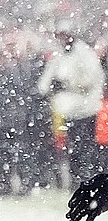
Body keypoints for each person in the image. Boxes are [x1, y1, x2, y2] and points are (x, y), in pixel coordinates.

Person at [39, 22, 106, 187]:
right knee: (71, 148)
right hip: (67, 110)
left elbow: (92, 79)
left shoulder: (84, 54)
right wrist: (52, 86)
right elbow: (44, 83)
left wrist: (68, 83)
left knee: (86, 147)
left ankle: (88, 179)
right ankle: (76, 180)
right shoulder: (58, 55)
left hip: (86, 109)